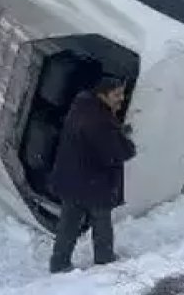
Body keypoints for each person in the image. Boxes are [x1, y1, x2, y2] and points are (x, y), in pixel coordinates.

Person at [48, 75, 137, 274]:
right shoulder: (100, 121)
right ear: (102, 95)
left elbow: (89, 138)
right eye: (117, 94)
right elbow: (120, 152)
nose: (121, 98)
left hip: (71, 178)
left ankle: (59, 263)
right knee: (101, 222)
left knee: (68, 224)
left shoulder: (81, 106)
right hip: (93, 183)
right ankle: (104, 260)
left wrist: (116, 128)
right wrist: (123, 138)